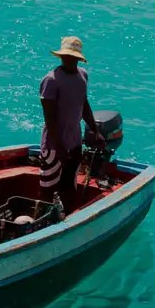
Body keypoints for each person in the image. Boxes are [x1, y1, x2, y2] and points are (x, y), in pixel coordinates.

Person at [39, 36, 99, 214]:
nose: (70, 60)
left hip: (74, 142)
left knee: (69, 183)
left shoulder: (83, 76)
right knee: (48, 187)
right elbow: (49, 119)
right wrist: (59, 146)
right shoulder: (50, 80)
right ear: (61, 57)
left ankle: (67, 217)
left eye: (74, 58)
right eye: (67, 57)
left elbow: (84, 104)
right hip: (54, 145)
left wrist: (95, 130)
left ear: (79, 59)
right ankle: (43, 221)